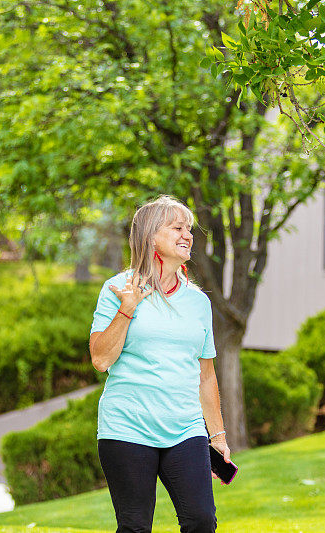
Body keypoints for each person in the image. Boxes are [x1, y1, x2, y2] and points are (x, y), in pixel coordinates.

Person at [89, 195, 230, 533]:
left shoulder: (198, 302)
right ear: (151, 236)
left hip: (185, 428)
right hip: (128, 426)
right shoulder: (117, 288)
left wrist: (218, 435)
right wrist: (128, 308)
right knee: (136, 526)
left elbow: (206, 376)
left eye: (189, 229)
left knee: (201, 520)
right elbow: (100, 359)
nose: (188, 235)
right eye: (177, 227)